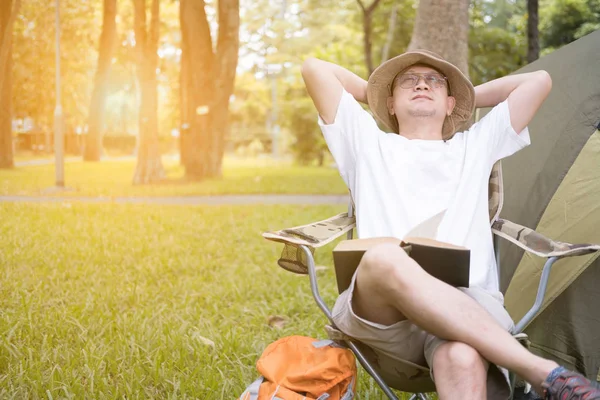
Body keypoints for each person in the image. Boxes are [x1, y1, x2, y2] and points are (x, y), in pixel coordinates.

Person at [301, 50, 600, 400]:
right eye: (408, 82)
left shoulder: (475, 145)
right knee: (385, 257)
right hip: (387, 318)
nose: (422, 84)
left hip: (469, 307)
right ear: (391, 105)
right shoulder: (366, 143)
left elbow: (539, 81)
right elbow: (314, 69)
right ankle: (540, 371)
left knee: (460, 355)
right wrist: (381, 93)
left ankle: (545, 378)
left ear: (451, 104)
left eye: (434, 81)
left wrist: (458, 96)